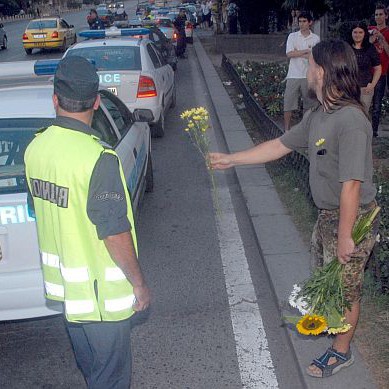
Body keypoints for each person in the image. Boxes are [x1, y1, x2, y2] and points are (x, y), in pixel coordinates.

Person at [210, 40, 379, 379]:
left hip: (353, 218)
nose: (308, 71)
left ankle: (341, 352)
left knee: (346, 288)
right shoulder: (320, 115)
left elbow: (352, 185)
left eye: (311, 65)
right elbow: (279, 145)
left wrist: (346, 236)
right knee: (329, 281)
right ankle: (336, 330)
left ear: (323, 71)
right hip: (330, 216)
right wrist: (232, 159)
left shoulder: (350, 120)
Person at [24, 56, 151, 388]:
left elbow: (39, 208)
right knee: (110, 380)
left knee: (94, 373)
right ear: (96, 101)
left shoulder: (35, 148)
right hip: (102, 300)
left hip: (70, 295)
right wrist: (138, 282)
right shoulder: (98, 158)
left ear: (55, 99)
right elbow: (115, 233)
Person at [283, 11, 320, 131]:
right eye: (300, 21)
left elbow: (315, 56)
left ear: (310, 22)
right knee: (288, 103)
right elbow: (289, 53)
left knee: (308, 104)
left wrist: (298, 52)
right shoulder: (292, 36)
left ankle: (305, 129)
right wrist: (305, 52)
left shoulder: (315, 38)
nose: (302, 24)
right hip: (293, 74)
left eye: (304, 21)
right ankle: (286, 129)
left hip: (308, 75)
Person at [348, 21, 381, 112]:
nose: (357, 35)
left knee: (363, 116)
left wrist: (372, 84)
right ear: (351, 33)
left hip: (365, 89)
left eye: (360, 32)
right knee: (349, 115)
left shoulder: (370, 48)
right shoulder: (346, 48)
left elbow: (378, 68)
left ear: (365, 34)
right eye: (355, 32)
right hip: (349, 89)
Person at [369, 3, 389, 137]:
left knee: (377, 103)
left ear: (386, 16)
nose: (378, 17)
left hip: (382, 72)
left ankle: (374, 131)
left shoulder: (388, 32)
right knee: (365, 102)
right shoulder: (369, 29)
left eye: (381, 14)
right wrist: (372, 38)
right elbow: (363, 47)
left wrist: (382, 39)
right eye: (376, 14)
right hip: (368, 72)